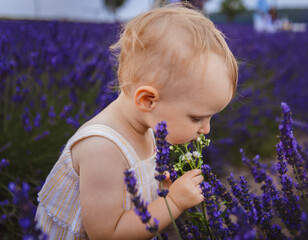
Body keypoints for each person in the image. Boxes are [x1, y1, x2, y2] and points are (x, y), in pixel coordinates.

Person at [35, 3, 238, 239]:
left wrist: (160, 190)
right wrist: (173, 202)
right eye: (196, 118)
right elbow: (107, 234)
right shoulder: (103, 149)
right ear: (148, 100)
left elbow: (129, 199)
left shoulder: (148, 126)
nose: (206, 129)